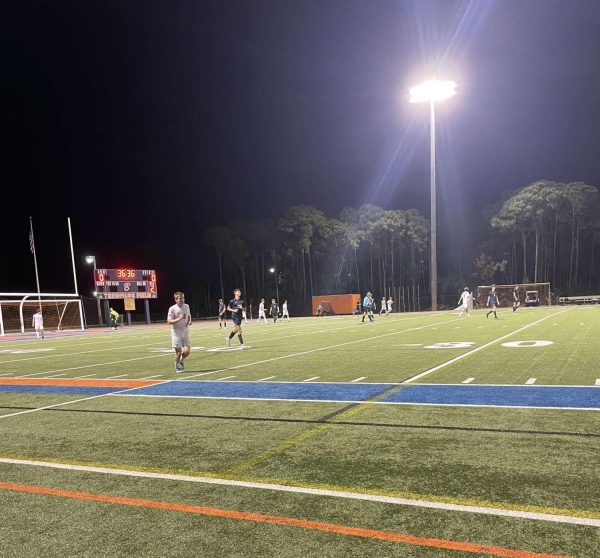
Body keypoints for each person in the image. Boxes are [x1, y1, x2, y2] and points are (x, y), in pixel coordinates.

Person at [167, 291, 192, 373]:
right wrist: (179, 318)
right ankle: (177, 366)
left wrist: (189, 321)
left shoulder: (187, 306)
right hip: (176, 332)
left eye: (183, 298)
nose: (182, 300)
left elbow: (189, 315)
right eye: (180, 298)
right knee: (178, 352)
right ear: (176, 300)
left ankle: (181, 360)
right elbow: (169, 321)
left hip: (185, 331)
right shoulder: (172, 308)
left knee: (187, 351)